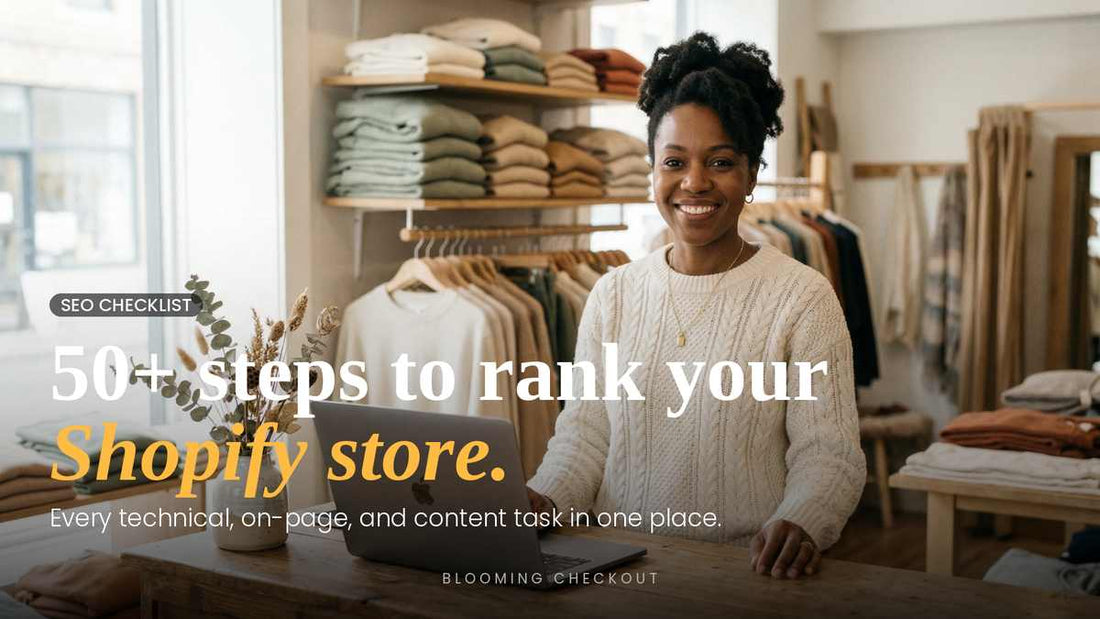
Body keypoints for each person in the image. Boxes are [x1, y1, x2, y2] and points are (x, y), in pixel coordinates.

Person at [526, 32, 865, 580]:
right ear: (653, 173)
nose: (694, 182)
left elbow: (830, 454)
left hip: (743, 575)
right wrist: (543, 498)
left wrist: (802, 519)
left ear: (751, 174)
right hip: (615, 571)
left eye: (721, 161)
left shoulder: (801, 298)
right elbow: (586, 436)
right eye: (674, 161)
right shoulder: (613, 295)